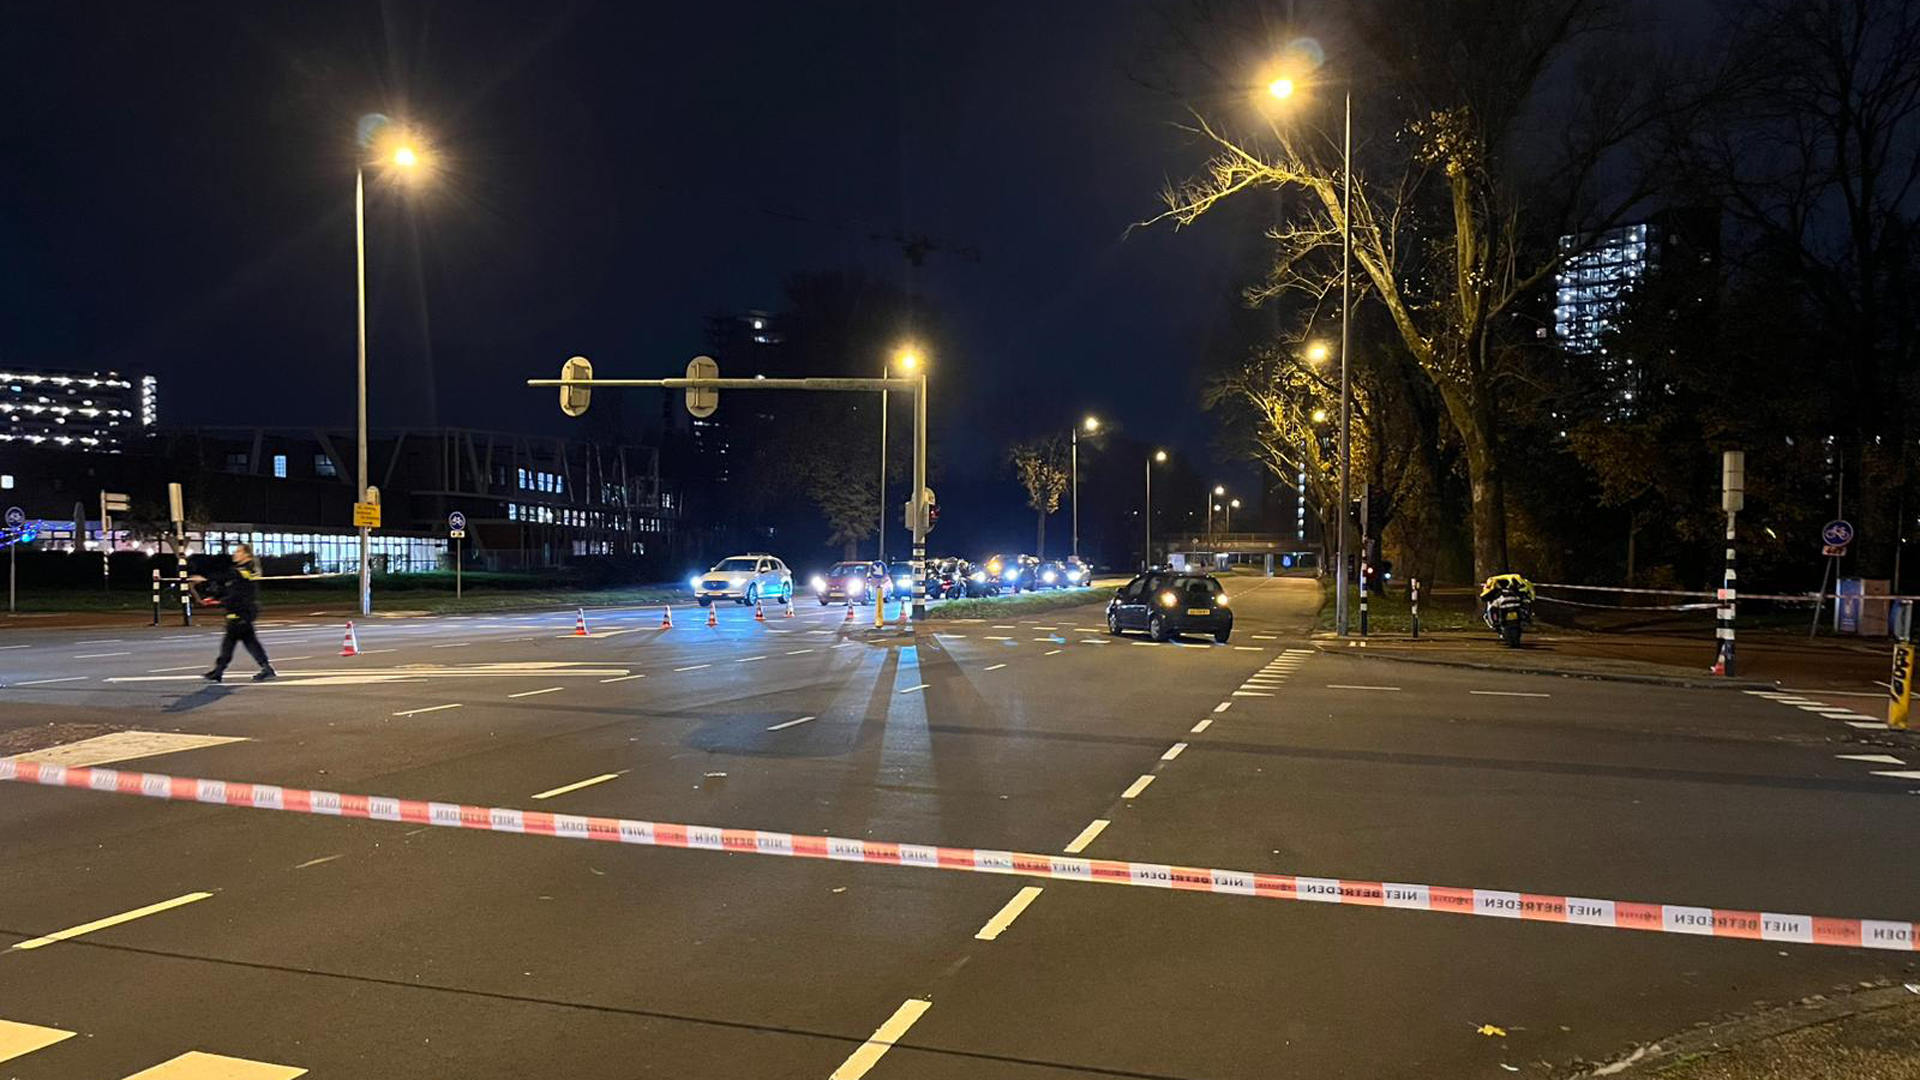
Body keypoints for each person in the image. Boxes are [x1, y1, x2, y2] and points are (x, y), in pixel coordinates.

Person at [191, 544, 276, 683]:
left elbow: (231, 582)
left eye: (238, 551)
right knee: (249, 641)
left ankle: (219, 670)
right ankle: (266, 668)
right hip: (243, 611)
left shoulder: (245, 570)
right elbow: (232, 587)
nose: (235, 554)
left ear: (246, 555)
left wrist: (205, 578)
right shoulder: (244, 570)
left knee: (229, 642)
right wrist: (217, 597)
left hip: (240, 611)